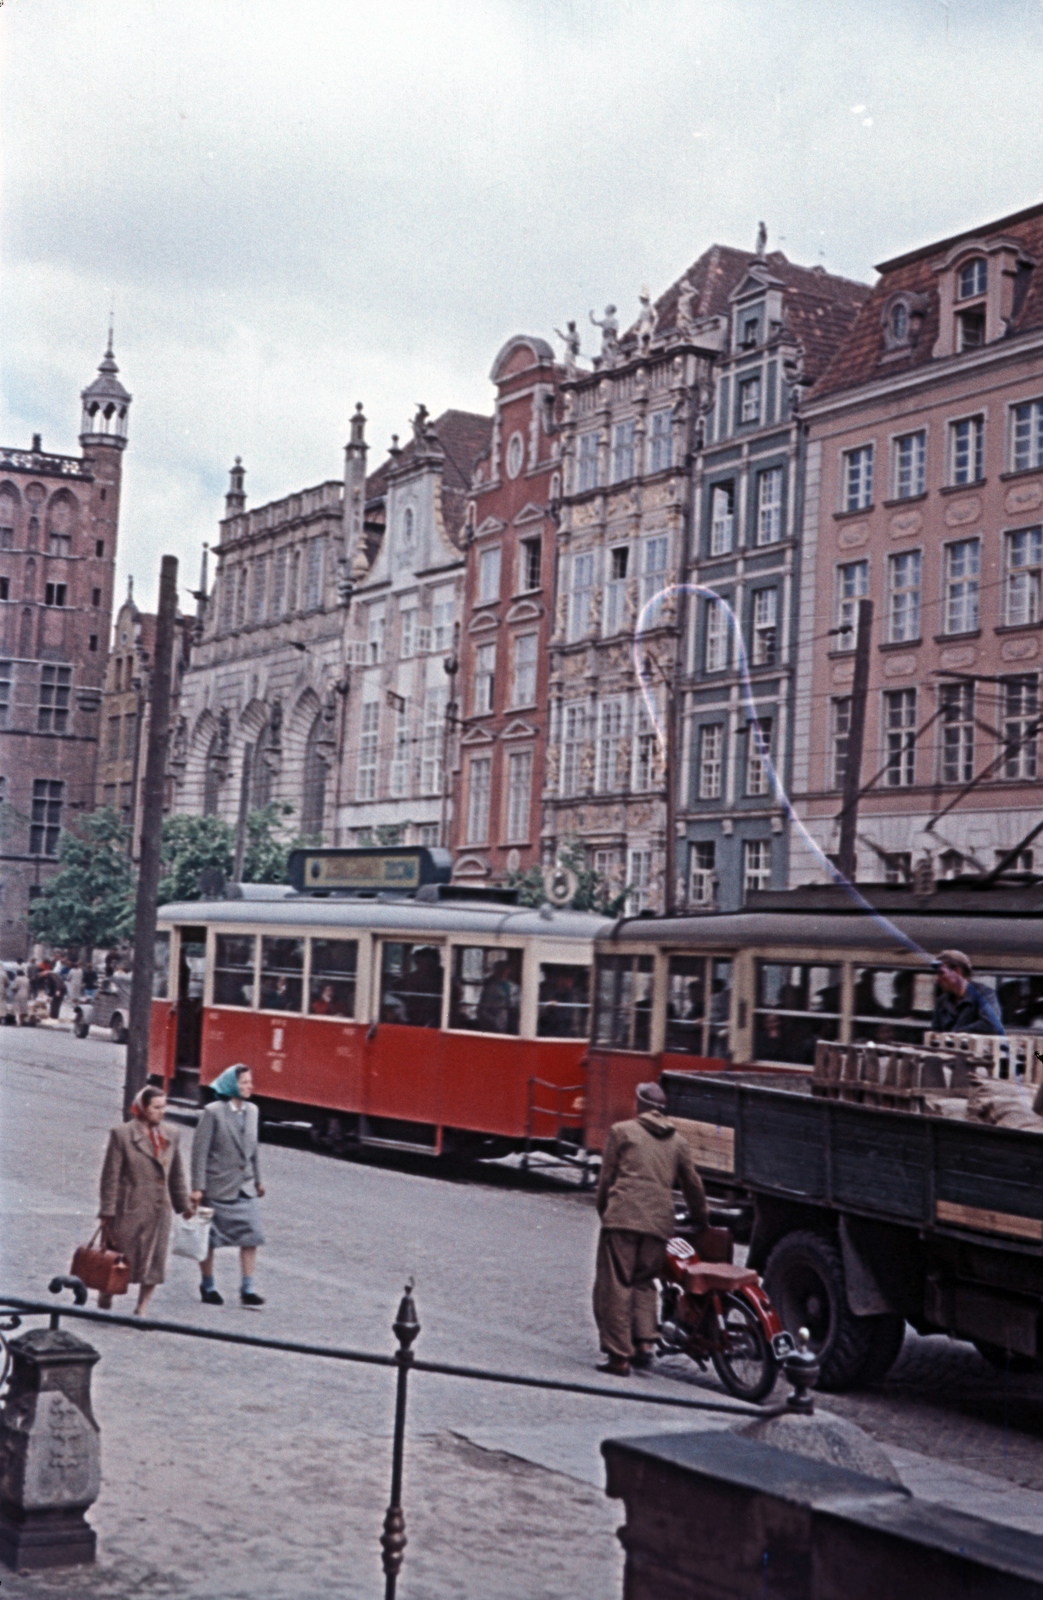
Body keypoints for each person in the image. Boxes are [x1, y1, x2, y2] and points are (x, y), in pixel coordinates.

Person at [593, 1081, 708, 1377]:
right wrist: (701, 1218)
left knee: (616, 1283)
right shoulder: (678, 1143)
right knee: (644, 1282)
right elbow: (693, 1186)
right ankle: (645, 1343)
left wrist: (605, 1210)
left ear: (639, 1106)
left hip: (623, 1218)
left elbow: (606, 1180)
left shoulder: (622, 1132)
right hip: (659, 1224)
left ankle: (619, 1356)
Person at [97, 1086, 193, 1316]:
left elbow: (176, 1173)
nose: (161, 1112)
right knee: (120, 1256)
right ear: (143, 1108)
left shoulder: (171, 1134)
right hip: (130, 1207)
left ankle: (142, 1307)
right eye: (156, 1107)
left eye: (164, 1107)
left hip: (160, 1209)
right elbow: (110, 1176)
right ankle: (107, 1292)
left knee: (155, 1260)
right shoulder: (122, 1135)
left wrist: (184, 1206)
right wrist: (107, 1211)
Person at [191, 1064, 266, 1307]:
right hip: (216, 1186)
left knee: (252, 1234)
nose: (249, 1087)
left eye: (249, 1082)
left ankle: (247, 1287)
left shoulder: (253, 1111)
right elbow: (199, 1153)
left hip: (243, 1187)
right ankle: (208, 1285)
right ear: (231, 1085)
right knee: (209, 1239)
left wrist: (258, 1179)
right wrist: (197, 1186)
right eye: (244, 1082)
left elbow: (253, 1149)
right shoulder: (212, 1112)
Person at [931, 950, 1005, 1037]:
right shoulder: (942, 1001)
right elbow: (936, 1032)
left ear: (957, 972)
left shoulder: (983, 994)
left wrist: (957, 1034)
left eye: (941, 973)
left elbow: (992, 1024)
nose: (937, 978)